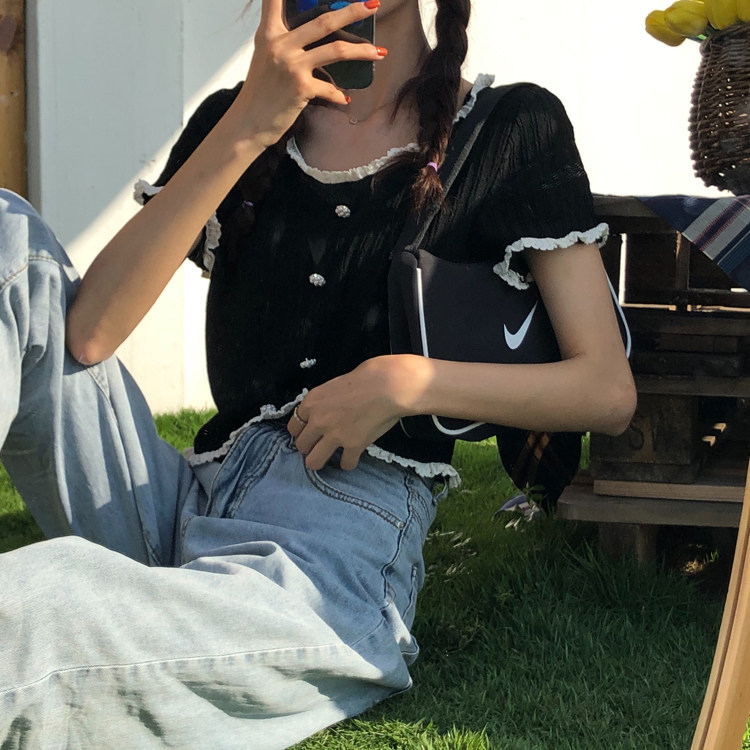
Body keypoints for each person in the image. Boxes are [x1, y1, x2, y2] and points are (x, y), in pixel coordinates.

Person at [0, 0, 636, 746]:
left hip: (328, 559)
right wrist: (249, 122)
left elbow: (605, 389)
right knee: (9, 229)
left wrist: (406, 383)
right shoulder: (238, 122)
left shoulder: (508, 128)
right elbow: (87, 335)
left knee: (38, 610)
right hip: (181, 501)